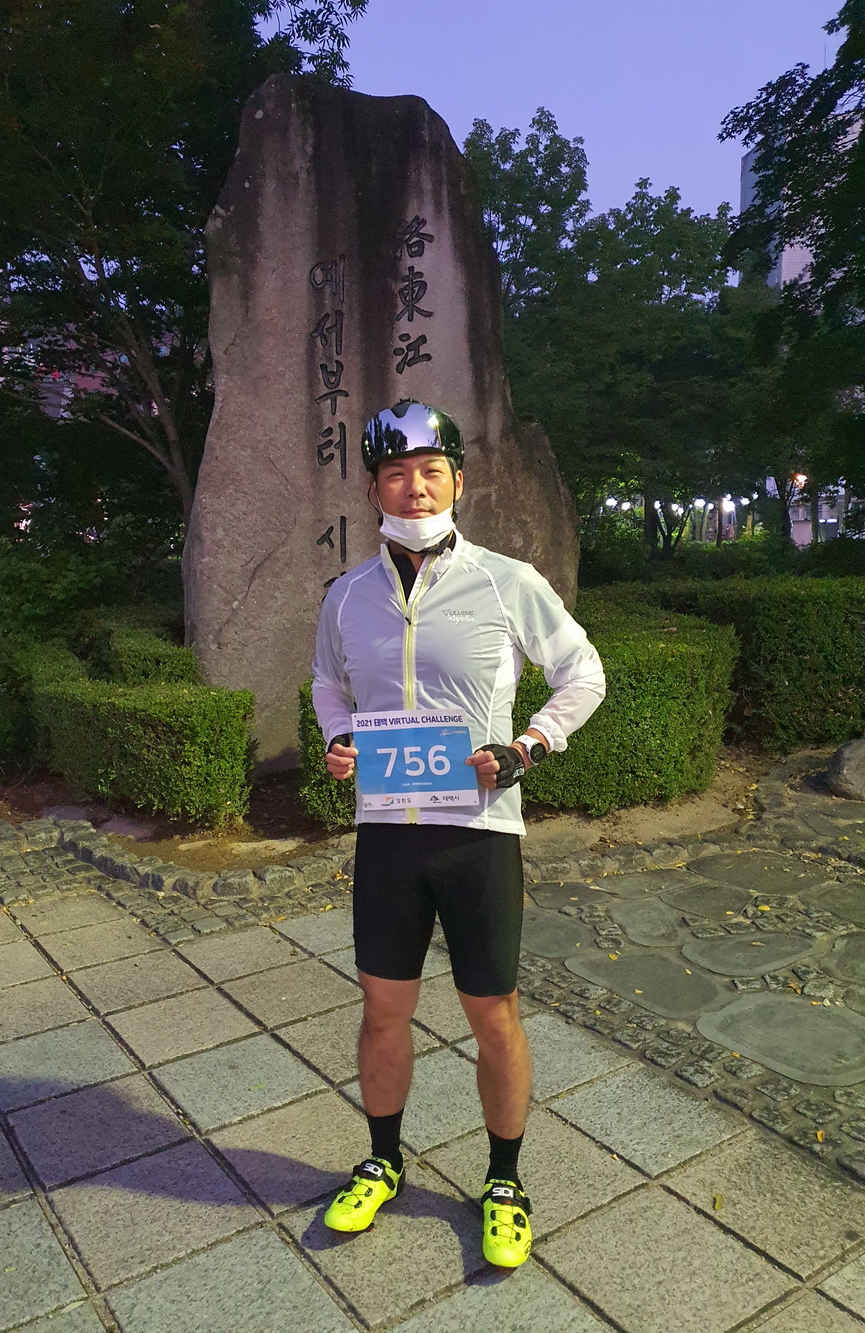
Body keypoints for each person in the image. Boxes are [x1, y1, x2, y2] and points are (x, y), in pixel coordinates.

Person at [311, 399, 606, 1267]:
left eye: (431, 470)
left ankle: (504, 1180)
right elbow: (328, 681)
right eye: (396, 473)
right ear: (373, 487)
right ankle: (383, 1159)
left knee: (493, 1013)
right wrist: (338, 735)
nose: (415, 486)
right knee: (382, 1009)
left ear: (458, 481)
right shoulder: (347, 595)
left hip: (477, 833)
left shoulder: (507, 581)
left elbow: (582, 672)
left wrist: (527, 746)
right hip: (388, 836)